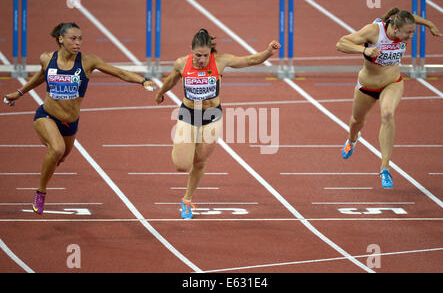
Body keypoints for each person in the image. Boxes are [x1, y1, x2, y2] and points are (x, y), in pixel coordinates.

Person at [3, 22, 156, 214]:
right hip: (46, 115)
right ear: (61, 39)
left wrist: (142, 80)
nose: (77, 43)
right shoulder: (47, 58)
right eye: (73, 38)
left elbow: (119, 72)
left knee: (63, 155)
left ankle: (53, 159)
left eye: (80, 39)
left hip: (70, 123)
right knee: (57, 149)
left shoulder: (87, 62)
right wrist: (19, 92)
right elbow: (41, 76)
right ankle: (40, 192)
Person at [155, 28, 280, 219]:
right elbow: (172, 79)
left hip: (211, 115)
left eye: (205, 55)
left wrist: (268, 52)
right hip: (189, 113)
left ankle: (187, 200)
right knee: (181, 165)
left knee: (200, 161)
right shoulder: (182, 63)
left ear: (210, 52)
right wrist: (160, 92)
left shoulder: (220, 61)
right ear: (191, 50)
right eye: (198, 55)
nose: (202, 59)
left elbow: (250, 60)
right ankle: (185, 145)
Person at [336, 8, 442, 189]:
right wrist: (363, 50)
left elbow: (412, 18)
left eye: (413, 32)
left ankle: (385, 168)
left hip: (392, 82)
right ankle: (352, 140)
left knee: (387, 114)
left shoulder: (403, 24)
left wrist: (430, 24)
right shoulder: (373, 31)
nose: (411, 36)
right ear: (395, 28)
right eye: (408, 33)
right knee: (356, 121)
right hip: (367, 86)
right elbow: (341, 43)